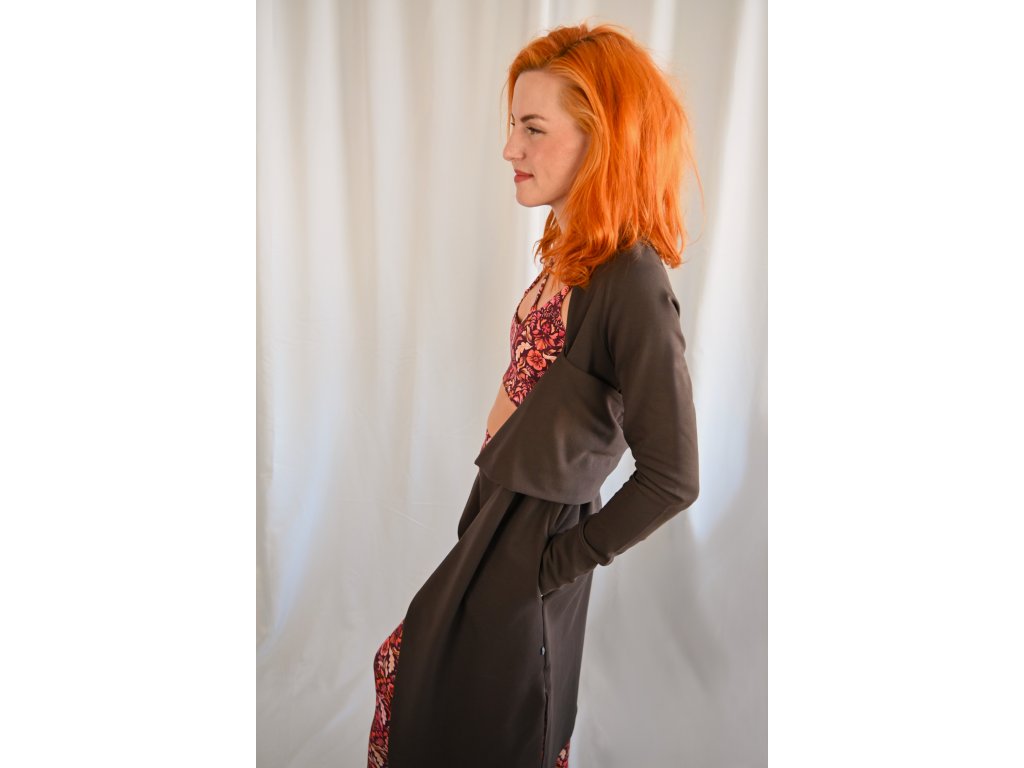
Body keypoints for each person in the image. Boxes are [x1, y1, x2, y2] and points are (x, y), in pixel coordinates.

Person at [367, 22, 700, 768]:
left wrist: (554, 565)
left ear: (602, 140)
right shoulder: (574, 251)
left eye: (533, 128)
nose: (509, 148)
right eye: (512, 124)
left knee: (487, 726)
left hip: (536, 537)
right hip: (498, 517)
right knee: (417, 682)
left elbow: (673, 477)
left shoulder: (632, 279)